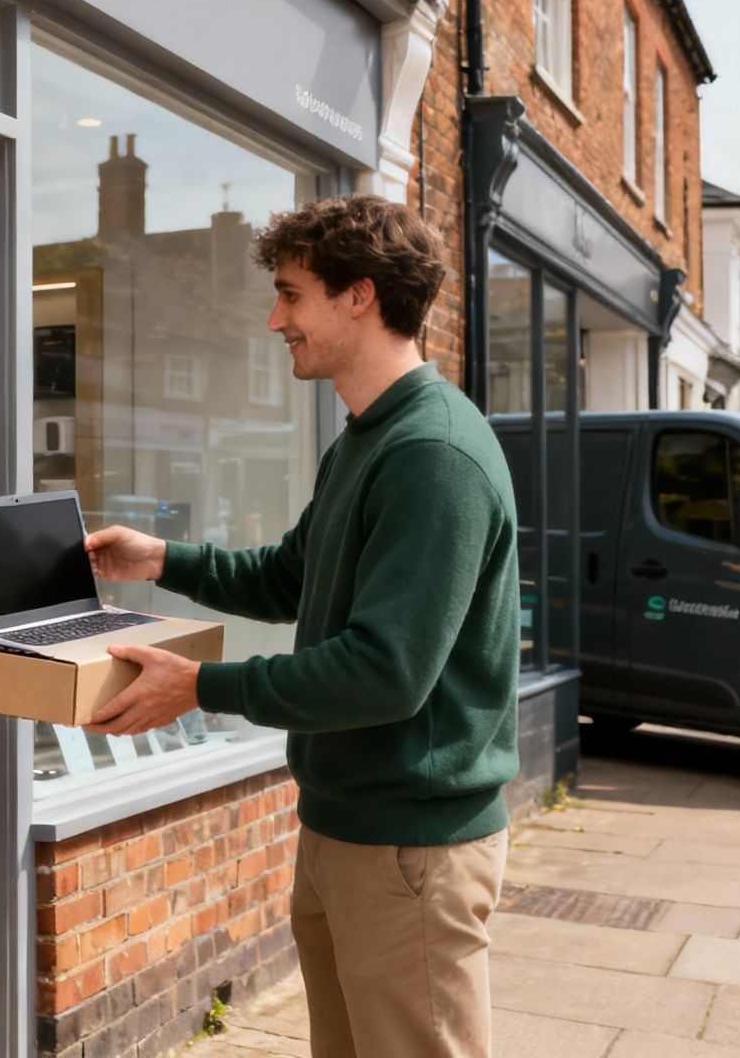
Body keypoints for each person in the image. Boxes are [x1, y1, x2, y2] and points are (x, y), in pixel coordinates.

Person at [82, 195, 520, 1058]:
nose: (274, 317)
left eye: (291, 294)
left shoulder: (431, 454)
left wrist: (202, 687)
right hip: (344, 827)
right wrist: (162, 559)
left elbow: (386, 671)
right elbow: (291, 575)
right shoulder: (366, 437)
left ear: (359, 295)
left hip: (409, 848)